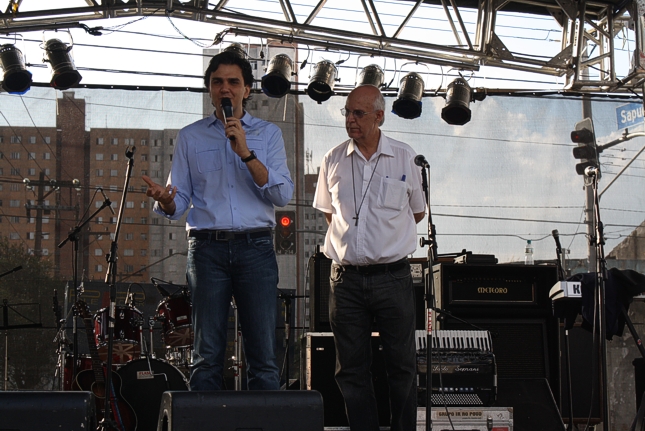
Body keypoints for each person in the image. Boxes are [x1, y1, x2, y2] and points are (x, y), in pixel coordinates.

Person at [142, 51, 294, 391]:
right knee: (207, 354)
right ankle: (203, 417)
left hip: (256, 247)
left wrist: (246, 153)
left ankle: (265, 418)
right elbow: (179, 201)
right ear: (210, 89)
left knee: (263, 354)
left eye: (233, 82)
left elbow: (282, 195)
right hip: (207, 250)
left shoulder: (268, 134)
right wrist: (166, 199)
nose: (225, 88)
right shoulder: (191, 137)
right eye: (217, 82)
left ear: (247, 90)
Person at [313, 84, 425, 431]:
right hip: (346, 280)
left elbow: (417, 212)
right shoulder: (332, 159)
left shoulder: (405, 157)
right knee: (351, 370)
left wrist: (382, 239)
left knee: (402, 366)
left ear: (379, 116)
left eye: (358, 113)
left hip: (392, 277)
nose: (350, 119)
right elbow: (330, 214)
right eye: (347, 112)